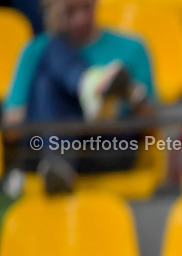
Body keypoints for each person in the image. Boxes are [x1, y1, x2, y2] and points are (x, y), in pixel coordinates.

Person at [3, 0, 152, 194]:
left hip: (108, 146)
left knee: (48, 65)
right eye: (70, 11)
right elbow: (12, 126)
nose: (81, 19)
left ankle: (91, 88)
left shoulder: (132, 47)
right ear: (53, 11)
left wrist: (129, 94)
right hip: (43, 149)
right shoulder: (35, 50)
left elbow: (151, 121)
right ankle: (93, 85)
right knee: (46, 75)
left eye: (87, 7)